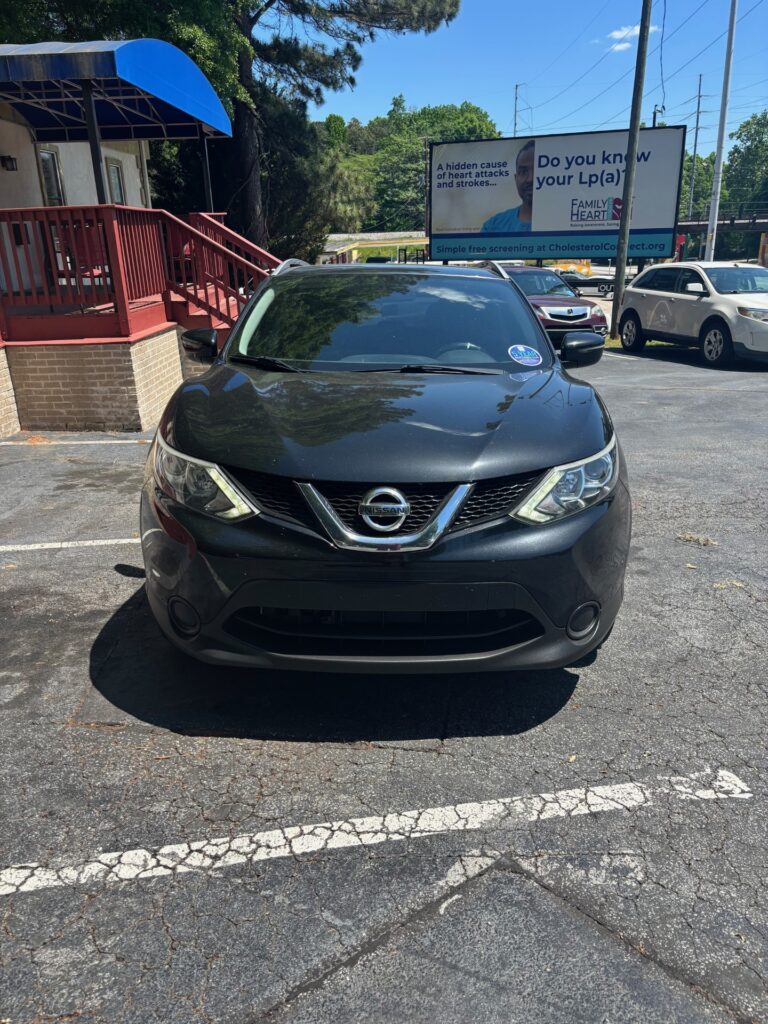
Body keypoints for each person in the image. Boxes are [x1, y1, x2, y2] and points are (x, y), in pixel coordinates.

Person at [482, 139, 535, 233]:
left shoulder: (564, 221)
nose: (530, 179)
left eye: (537, 170)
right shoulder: (493, 226)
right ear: (516, 179)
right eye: (523, 172)